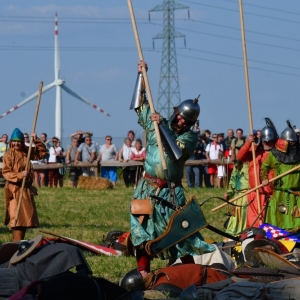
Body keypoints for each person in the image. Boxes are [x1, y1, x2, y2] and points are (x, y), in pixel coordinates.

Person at [129, 61, 215, 279]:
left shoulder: (189, 137)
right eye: (178, 116)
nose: (179, 120)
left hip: (171, 192)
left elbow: (176, 153)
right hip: (147, 188)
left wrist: (162, 126)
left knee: (181, 234)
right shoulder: (156, 123)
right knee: (141, 231)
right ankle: (144, 273)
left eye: (184, 120)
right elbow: (139, 105)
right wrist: (141, 76)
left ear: (189, 123)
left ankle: (192, 274)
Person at [2, 128, 47, 241]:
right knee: (17, 219)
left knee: (25, 219)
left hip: (26, 190)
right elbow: (6, 172)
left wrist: (35, 139)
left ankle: (19, 243)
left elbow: (42, 153)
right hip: (15, 190)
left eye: (19, 141)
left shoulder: (26, 152)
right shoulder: (8, 155)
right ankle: (15, 246)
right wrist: (20, 175)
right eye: (14, 141)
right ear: (11, 142)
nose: (16, 143)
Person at [237, 118, 277, 227]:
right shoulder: (254, 153)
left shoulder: (278, 156)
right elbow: (240, 156)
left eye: (270, 141)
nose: (268, 143)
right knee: (253, 226)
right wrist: (248, 142)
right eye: (265, 141)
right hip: (255, 196)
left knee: (271, 226)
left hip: (272, 196)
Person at [261, 120, 300, 230]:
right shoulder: (274, 154)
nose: (293, 144)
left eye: (294, 142)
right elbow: (264, 167)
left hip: (297, 195)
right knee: (276, 221)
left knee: (296, 223)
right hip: (279, 194)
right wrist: (264, 178)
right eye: (290, 142)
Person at [224, 160, 249, 236]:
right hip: (237, 197)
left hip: (249, 195)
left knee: (246, 216)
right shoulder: (237, 165)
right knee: (235, 218)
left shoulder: (252, 163)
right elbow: (233, 181)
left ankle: (245, 234)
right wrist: (229, 193)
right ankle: (234, 236)